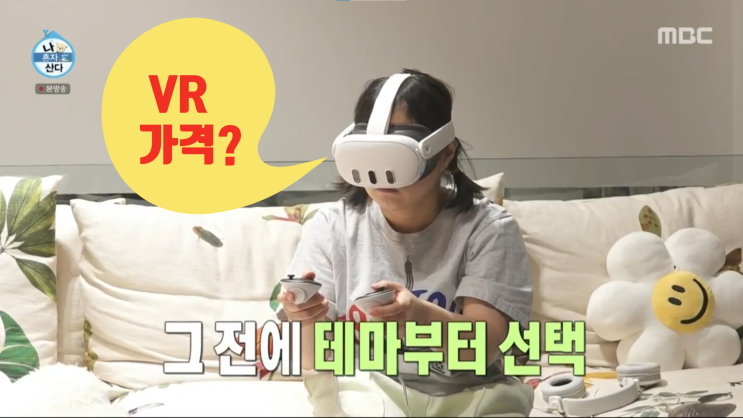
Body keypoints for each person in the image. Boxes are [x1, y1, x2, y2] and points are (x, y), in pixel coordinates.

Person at [276, 69, 534, 417]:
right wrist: (305, 319)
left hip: (469, 392)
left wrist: (420, 316)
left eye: (397, 156)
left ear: (445, 153)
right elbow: (313, 359)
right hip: (368, 390)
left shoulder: (488, 228)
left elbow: (483, 349)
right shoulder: (332, 225)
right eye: (370, 154)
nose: (381, 174)